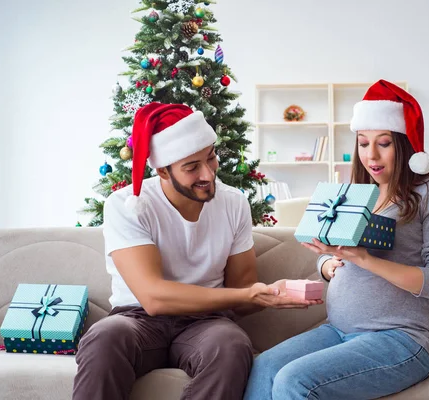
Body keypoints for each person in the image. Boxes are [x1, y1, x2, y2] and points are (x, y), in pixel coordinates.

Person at [72, 102, 322, 400]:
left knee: (231, 344)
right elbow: (153, 298)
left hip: (206, 322)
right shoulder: (127, 204)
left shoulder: (233, 203)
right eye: (191, 167)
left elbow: (243, 291)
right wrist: (247, 294)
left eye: (211, 158)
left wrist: (269, 295)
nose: (208, 174)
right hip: (137, 320)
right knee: (104, 337)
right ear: (163, 170)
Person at [244, 80, 429, 399]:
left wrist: (366, 260)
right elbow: (341, 253)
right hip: (338, 331)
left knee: (294, 381)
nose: (371, 154)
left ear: (403, 144)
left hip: (401, 338)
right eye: (362, 142)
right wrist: (328, 263)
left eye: (383, 143)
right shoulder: (359, 194)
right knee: (264, 368)